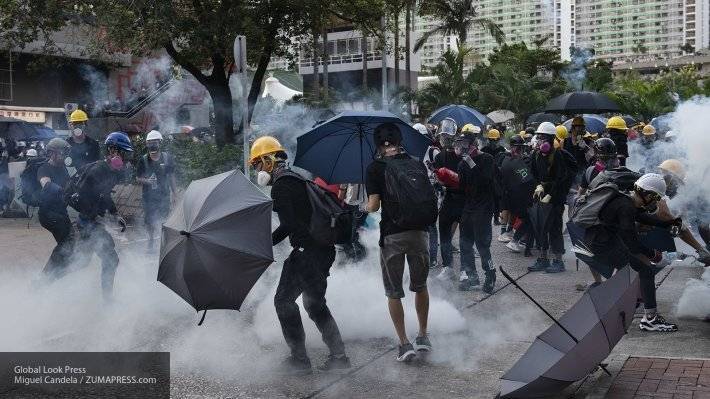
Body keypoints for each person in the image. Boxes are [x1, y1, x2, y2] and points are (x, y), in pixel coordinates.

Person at [249, 136, 350, 373]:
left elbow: (288, 225)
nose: (257, 169)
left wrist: (263, 244)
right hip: (322, 251)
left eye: (257, 164)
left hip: (307, 254)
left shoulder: (283, 185)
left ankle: (299, 360)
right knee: (315, 305)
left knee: (283, 302)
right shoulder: (295, 178)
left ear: (268, 160)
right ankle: (339, 356)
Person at [365, 122, 432, 362]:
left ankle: (405, 344)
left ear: (378, 145)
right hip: (420, 232)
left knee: (394, 291)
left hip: (393, 235)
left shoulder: (375, 168)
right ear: (399, 141)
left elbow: (373, 206)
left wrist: (364, 206)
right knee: (420, 286)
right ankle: (423, 336)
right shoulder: (416, 163)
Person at [583, 173, 679, 332]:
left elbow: (642, 217)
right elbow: (632, 244)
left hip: (599, 240)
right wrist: (653, 254)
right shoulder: (626, 206)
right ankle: (650, 319)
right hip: (603, 245)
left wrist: (669, 223)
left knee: (632, 271)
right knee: (645, 270)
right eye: (655, 198)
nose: (655, 202)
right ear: (648, 194)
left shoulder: (626, 200)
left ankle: (622, 310)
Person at [69, 132, 131, 301]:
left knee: (81, 262)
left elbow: (105, 196)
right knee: (111, 259)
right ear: (111, 151)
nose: (124, 158)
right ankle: (108, 301)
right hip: (88, 223)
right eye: (122, 153)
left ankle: (53, 279)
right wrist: (96, 217)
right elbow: (79, 199)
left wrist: (115, 214)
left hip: (91, 222)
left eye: (126, 154)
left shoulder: (110, 172)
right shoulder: (96, 171)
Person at [528, 122, 576, 273]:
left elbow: (561, 179)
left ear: (550, 139)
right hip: (540, 197)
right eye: (539, 136)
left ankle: (558, 261)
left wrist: (550, 193)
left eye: (543, 137)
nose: (540, 140)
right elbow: (533, 174)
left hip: (555, 199)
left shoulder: (558, 155)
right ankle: (543, 258)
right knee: (540, 228)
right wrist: (538, 186)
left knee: (554, 228)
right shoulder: (535, 155)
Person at [453, 132, 497, 293]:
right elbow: (462, 186)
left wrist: (471, 161)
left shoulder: (487, 159)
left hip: (484, 208)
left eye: (466, 143)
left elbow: (486, 180)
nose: (462, 147)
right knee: (465, 244)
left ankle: (490, 274)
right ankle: (472, 276)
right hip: (469, 207)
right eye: (460, 143)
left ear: (473, 144)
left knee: (482, 245)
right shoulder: (462, 163)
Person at [433, 118, 465, 281]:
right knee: (444, 234)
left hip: (464, 200)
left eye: (448, 136)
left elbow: (472, 175)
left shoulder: (464, 154)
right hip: (447, 199)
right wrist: (439, 182)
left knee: (466, 236)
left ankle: (466, 270)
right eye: (443, 136)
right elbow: (437, 178)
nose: (445, 139)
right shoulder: (439, 157)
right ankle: (447, 267)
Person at [37, 138, 73, 278]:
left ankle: (55, 276)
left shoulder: (63, 168)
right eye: (62, 153)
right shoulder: (44, 168)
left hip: (61, 213)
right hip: (48, 214)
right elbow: (46, 184)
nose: (65, 156)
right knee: (67, 243)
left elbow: (69, 185)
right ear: (52, 154)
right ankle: (45, 278)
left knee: (71, 246)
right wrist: (61, 190)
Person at [136, 130, 177, 251]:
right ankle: (151, 240)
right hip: (148, 197)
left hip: (164, 195)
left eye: (154, 142)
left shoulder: (167, 158)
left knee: (164, 218)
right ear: (147, 144)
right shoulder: (143, 160)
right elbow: (138, 178)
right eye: (149, 142)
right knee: (149, 220)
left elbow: (171, 176)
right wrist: (148, 181)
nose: (152, 145)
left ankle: (164, 241)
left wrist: (175, 194)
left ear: (160, 142)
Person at [500, 135, 535, 256]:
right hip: (517, 198)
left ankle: (525, 245)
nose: (520, 150)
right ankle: (515, 240)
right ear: (512, 147)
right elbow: (528, 180)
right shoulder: (515, 162)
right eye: (518, 148)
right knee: (529, 220)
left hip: (511, 197)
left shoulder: (506, 159)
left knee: (529, 220)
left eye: (521, 148)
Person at [418, 123, 442, 268]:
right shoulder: (409, 153)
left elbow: (442, 172)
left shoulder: (434, 152)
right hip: (415, 193)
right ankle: (420, 254)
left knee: (431, 225)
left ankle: (432, 257)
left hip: (432, 192)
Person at [481, 128, 506, 227]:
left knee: (496, 198)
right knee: (486, 198)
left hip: (497, 177)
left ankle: (496, 218)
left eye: (495, 140)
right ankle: (485, 218)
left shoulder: (502, 150)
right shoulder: (483, 150)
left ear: (498, 140)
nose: (493, 142)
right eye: (492, 140)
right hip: (487, 177)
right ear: (489, 140)